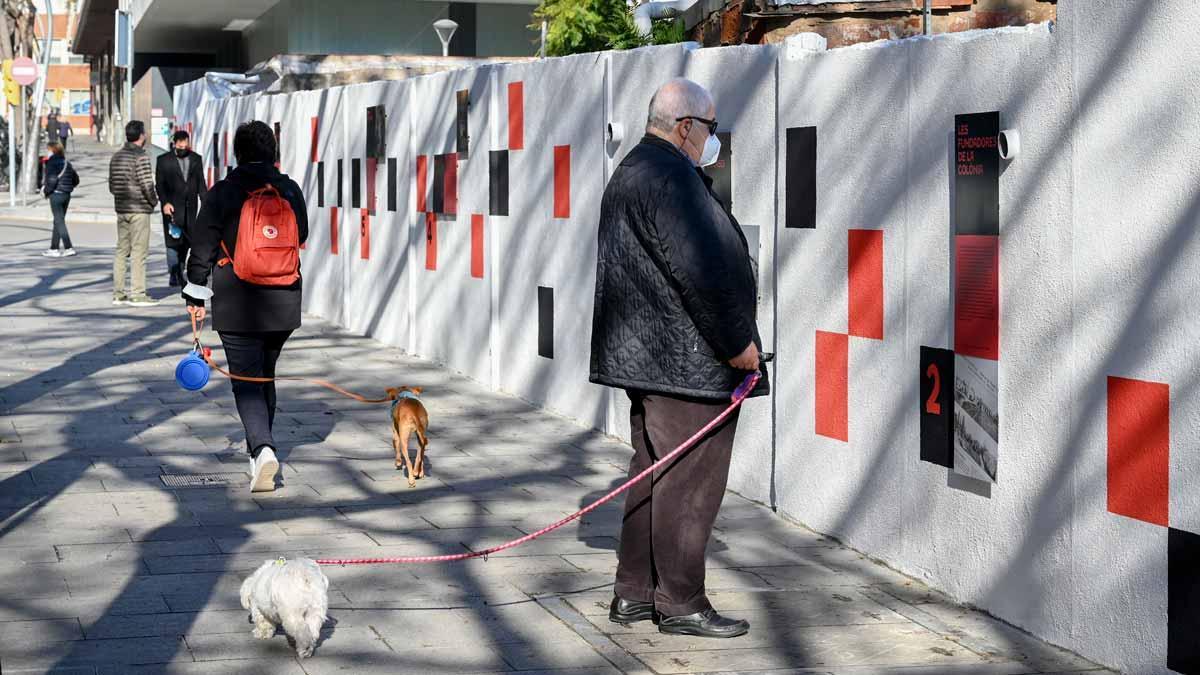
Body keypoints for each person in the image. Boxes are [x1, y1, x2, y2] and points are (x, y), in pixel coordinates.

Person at [589, 78, 769, 639]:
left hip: (653, 360)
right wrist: (738, 344)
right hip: (687, 364)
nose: (712, 140)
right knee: (689, 484)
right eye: (710, 128)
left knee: (649, 475)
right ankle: (681, 602)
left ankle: (635, 593)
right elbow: (701, 273)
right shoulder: (670, 177)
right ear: (686, 127)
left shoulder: (635, 169)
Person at [184, 121, 308, 493]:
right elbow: (300, 233)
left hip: (237, 297)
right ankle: (259, 453)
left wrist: (195, 292)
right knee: (264, 374)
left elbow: (202, 244)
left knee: (247, 380)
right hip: (283, 298)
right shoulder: (289, 188)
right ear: (273, 151)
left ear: (237, 153)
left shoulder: (224, 191)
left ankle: (263, 448)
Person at [108, 120, 159, 307]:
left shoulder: (117, 157)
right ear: (141, 135)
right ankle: (138, 293)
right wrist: (154, 201)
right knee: (139, 252)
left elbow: (112, 186)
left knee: (121, 251)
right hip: (139, 209)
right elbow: (147, 184)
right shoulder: (141, 157)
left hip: (121, 209)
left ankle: (118, 293)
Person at [155, 130, 207, 286]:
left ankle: (180, 272)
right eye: (180, 143)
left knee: (186, 243)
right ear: (175, 143)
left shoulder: (196, 159)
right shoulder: (164, 160)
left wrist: (206, 203)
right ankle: (173, 272)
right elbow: (160, 185)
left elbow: (200, 183)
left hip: (190, 209)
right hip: (171, 209)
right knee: (173, 241)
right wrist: (165, 202)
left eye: (186, 143)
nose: (183, 146)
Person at [41, 140, 79, 258]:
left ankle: (68, 247)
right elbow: (76, 179)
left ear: (52, 150)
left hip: (56, 194)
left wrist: (46, 192)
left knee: (59, 221)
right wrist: (68, 187)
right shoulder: (67, 163)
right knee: (58, 220)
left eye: (48, 150)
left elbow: (52, 180)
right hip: (66, 194)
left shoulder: (52, 162)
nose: (47, 152)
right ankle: (54, 248)